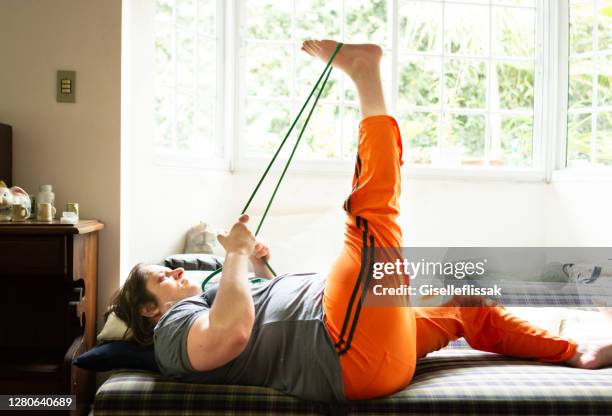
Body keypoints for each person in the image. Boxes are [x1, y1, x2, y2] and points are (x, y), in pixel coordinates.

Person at [107, 39, 612, 403]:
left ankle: (576, 351)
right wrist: (234, 254)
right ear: (150, 311)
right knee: (370, 221)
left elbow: (265, 319)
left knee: (466, 301)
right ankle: (365, 72)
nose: (177, 273)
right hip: (343, 355)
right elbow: (231, 336)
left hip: (356, 339)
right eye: (162, 278)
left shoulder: (205, 299)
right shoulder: (173, 334)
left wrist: (258, 267)